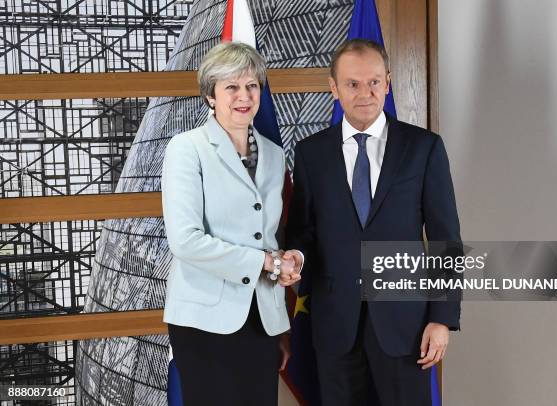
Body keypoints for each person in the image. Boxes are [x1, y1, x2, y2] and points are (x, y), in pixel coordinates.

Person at [286, 39, 462, 405]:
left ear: (389, 82)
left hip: (406, 326)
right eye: (352, 84)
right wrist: (297, 259)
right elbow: (303, 231)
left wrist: (442, 318)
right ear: (333, 87)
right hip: (335, 324)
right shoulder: (311, 153)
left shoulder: (424, 148)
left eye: (374, 82)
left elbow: (447, 239)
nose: (365, 93)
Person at [161, 42, 301, 406]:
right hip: (205, 319)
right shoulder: (186, 148)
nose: (244, 96)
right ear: (211, 95)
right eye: (232, 87)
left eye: (252, 86)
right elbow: (185, 240)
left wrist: (283, 265)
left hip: (261, 317)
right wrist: (264, 263)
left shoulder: (273, 153)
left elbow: (267, 234)